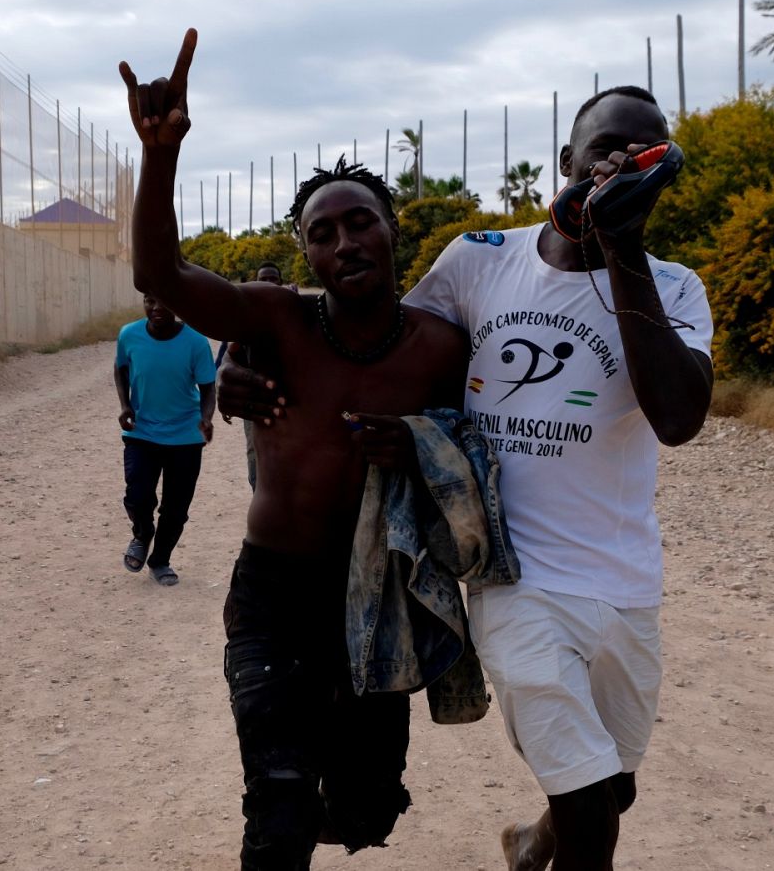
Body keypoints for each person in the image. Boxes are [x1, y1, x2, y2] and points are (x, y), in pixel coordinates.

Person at [219, 85, 715, 871]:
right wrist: (242, 353)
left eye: (640, 155)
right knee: (590, 803)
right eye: (603, 151)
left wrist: (620, 250)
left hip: (622, 578)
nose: (617, 165)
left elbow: (679, 420)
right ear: (568, 164)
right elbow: (369, 336)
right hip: (509, 576)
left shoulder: (676, 286)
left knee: (611, 787)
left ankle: (532, 841)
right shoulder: (481, 258)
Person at [118, 29, 471, 868]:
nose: (344, 242)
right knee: (275, 810)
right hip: (273, 593)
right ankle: (278, 811)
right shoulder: (277, 321)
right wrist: (160, 156)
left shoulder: (440, 348)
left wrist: (422, 446)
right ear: (304, 252)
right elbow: (162, 275)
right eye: (323, 232)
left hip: (375, 595)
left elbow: (482, 455)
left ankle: (313, 801)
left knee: (366, 812)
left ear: (392, 233)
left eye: (361, 223)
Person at [114, 292, 217, 586]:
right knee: (137, 493)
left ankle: (160, 561)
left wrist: (206, 418)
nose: (157, 307)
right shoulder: (129, 335)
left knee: (176, 507)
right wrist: (125, 405)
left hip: (185, 435)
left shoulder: (196, 342)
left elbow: (208, 388)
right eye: (150, 300)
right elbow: (120, 369)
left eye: (166, 301)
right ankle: (142, 534)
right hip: (142, 430)